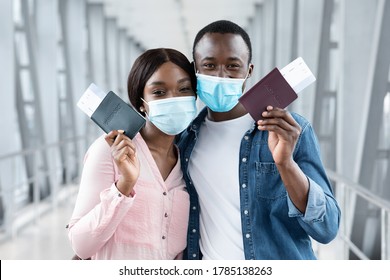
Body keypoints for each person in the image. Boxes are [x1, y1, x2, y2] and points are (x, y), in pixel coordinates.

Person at [177, 20, 341, 260]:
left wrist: (286, 164)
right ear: (195, 70)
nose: (221, 75)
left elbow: (327, 228)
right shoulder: (184, 140)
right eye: (209, 65)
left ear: (249, 71)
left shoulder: (291, 130)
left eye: (233, 66)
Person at [68, 48, 197, 260]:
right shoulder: (109, 150)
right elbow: (81, 245)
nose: (174, 98)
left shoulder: (188, 160)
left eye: (184, 89)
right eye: (159, 92)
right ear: (140, 103)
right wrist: (125, 185)